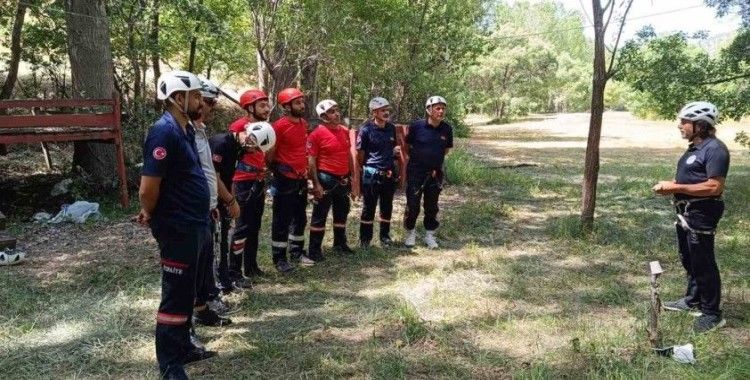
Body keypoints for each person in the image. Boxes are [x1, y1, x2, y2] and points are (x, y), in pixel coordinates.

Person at [136, 70, 215, 379]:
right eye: (195, 96)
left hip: (194, 222)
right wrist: (150, 212)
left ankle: (183, 347)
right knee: (175, 293)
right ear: (177, 99)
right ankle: (169, 364)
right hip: (177, 225)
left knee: (188, 291)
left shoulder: (185, 130)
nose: (201, 102)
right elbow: (148, 187)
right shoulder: (163, 132)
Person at [652, 101, 730, 333]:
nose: (680, 126)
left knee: (703, 262)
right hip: (686, 211)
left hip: (702, 212)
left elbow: (714, 187)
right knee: (689, 258)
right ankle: (693, 299)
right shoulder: (695, 148)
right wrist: (674, 188)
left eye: (684, 122)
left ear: (700, 125)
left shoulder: (715, 149)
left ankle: (712, 313)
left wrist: (675, 187)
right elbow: (694, 178)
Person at [190, 77, 236, 326]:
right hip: (191, 212)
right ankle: (192, 315)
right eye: (205, 101)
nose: (208, 107)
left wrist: (215, 203)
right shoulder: (181, 133)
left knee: (206, 260)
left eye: (211, 103)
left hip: (207, 208)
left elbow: (208, 173)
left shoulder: (200, 132)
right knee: (193, 266)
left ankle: (202, 307)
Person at [222, 89, 272, 285]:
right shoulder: (239, 126)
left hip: (258, 180)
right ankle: (234, 271)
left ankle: (251, 266)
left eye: (267, 105)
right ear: (250, 108)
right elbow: (239, 147)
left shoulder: (264, 126)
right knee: (242, 227)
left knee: (254, 225)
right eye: (262, 105)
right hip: (242, 182)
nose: (267, 109)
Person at [266, 88, 311, 272]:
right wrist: (278, 171)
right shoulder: (279, 126)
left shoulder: (303, 123)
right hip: (285, 179)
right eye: (297, 102)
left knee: (300, 218)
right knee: (281, 220)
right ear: (287, 106)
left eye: (302, 102)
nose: (302, 105)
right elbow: (269, 155)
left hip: (301, 178)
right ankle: (279, 258)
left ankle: (297, 252)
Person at [307, 99, 355, 261]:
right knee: (320, 214)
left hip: (343, 179)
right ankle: (314, 249)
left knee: (342, 211)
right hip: (325, 178)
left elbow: (348, 155)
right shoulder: (316, 134)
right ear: (324, 116)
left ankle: (340, 243)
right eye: (332, 111)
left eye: (337, 110)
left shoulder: (343, 131)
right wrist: (316, 184)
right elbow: (311, 160)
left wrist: (353, 177)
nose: (337, 113)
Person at [403, 96, 453, 249]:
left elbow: (446, 150)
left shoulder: (447, 128)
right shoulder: (416, 126)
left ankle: (429, 235)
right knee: (413, 205)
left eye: (443, 108)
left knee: (432, 206)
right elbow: (407, 147)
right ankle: (410, 233)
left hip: (435, 173)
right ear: (428, 110)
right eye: (437, 108)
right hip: (416, 173)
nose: (441, 111)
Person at [356, 97, 400, 248]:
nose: (386, 113)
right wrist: (368, 167)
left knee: (387, 206)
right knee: (369, 207)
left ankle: (385, 237)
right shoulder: (366, 130)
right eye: (383, 110)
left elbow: (393, 148)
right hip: (371, 173)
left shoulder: (391, 128)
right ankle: (365, 240)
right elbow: (360, 155)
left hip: (388, 173)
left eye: (387, 110)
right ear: (374, 112)